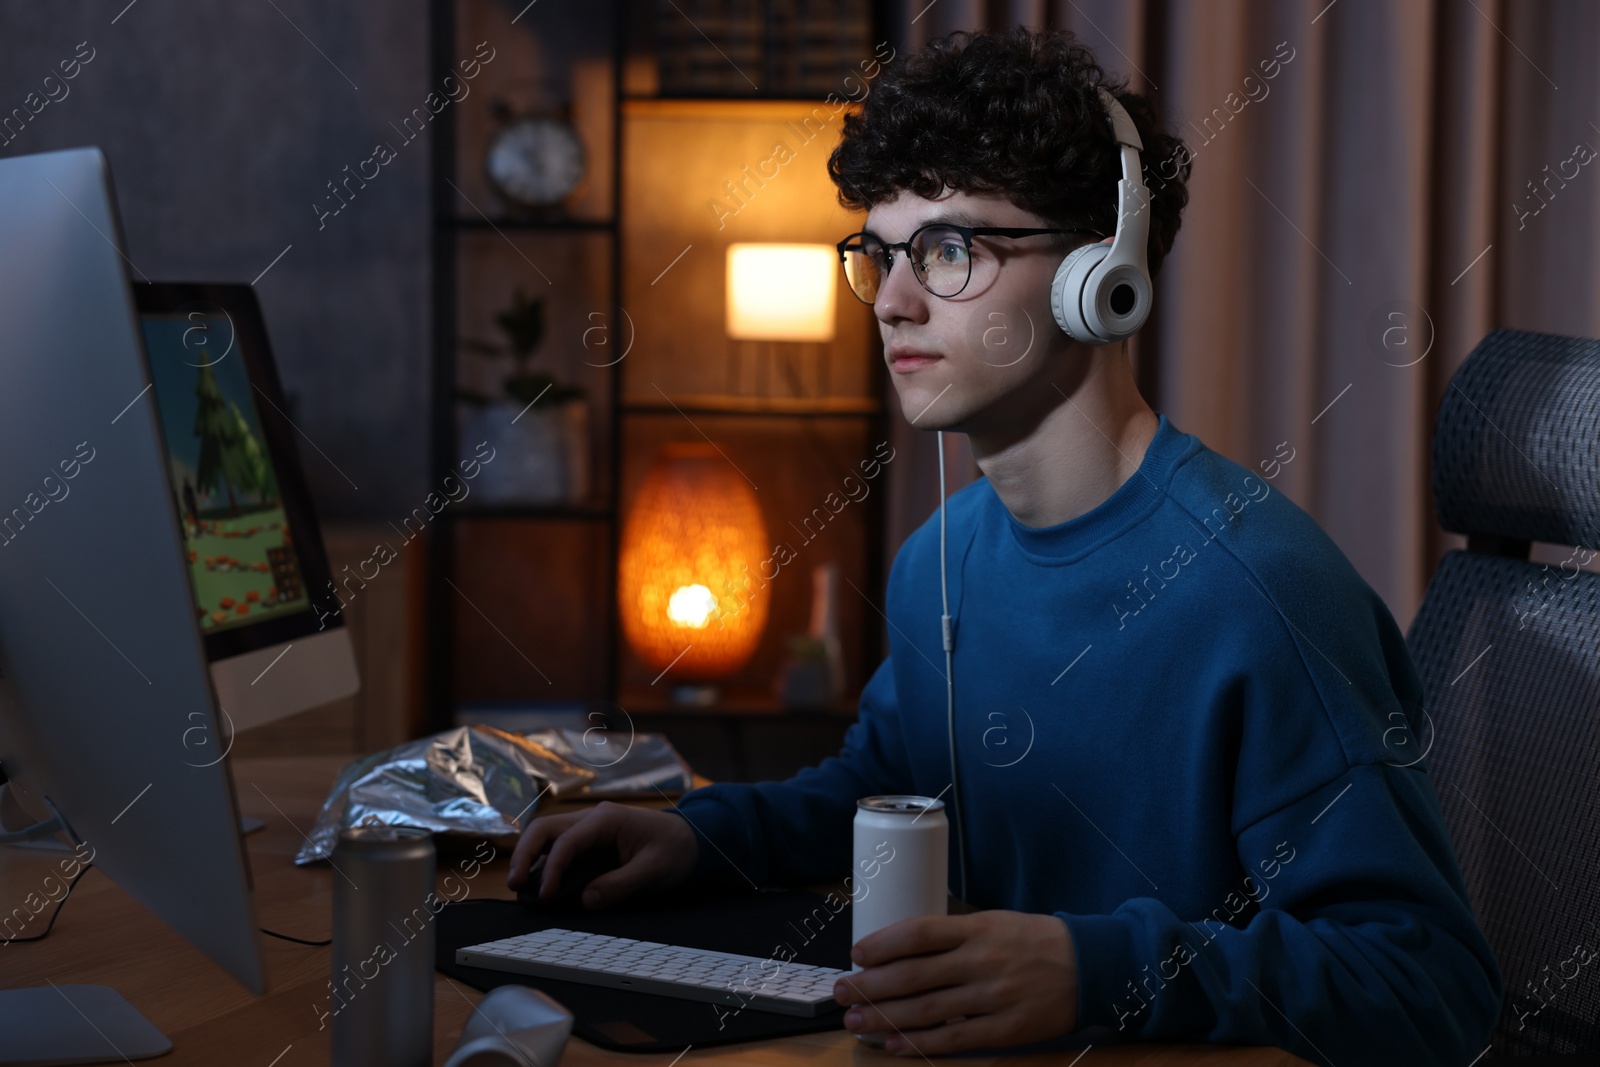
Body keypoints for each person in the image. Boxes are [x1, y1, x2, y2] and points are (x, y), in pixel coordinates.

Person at [507, 26, 1502, 1065]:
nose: (893, 301)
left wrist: (1098, 971)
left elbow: (1429, 982)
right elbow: (888, 782)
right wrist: (702, 833)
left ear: (1101, 276)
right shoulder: (943, 554)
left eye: (948, 252)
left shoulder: (1259, 596)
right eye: (879, 255)